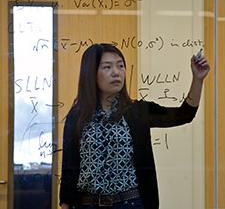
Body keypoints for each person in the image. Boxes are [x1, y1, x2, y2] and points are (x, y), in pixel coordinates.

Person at [59, 43, 210, 209]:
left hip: (130, 202)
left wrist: (198, 79)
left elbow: (184, 115)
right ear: (91, 73)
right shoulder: (77, 116)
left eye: (120, 66)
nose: (116, 72)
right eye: (107, 67)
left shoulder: (137, 111)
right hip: (88, 204)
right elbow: (69, 169)